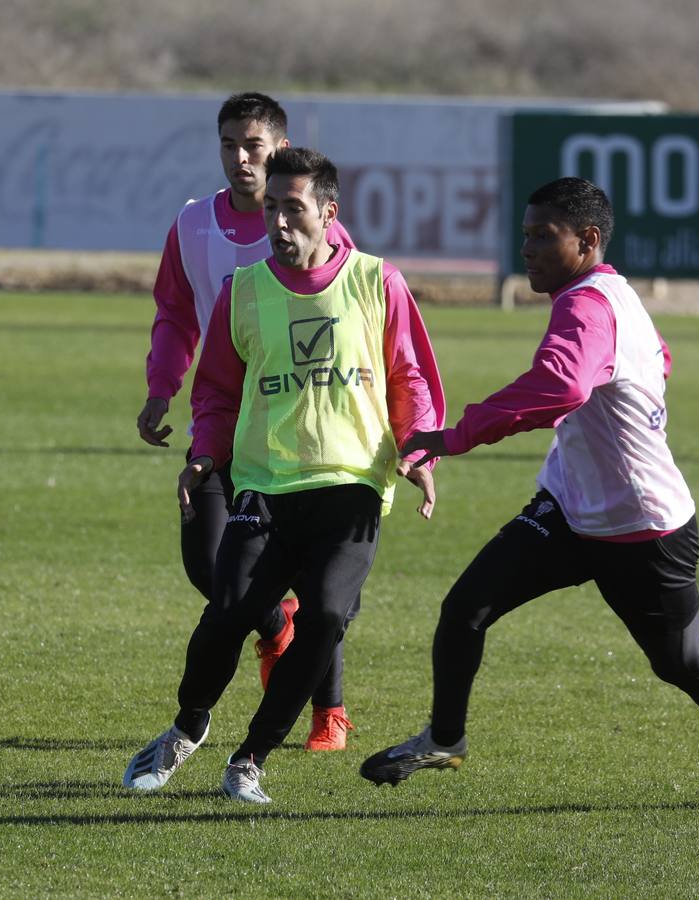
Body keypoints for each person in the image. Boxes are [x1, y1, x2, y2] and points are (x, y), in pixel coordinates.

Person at [360, 177, 699, 806]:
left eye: (542, 236)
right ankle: (445, 738)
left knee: (680, 661)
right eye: (525, 234)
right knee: (465, 609)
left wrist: (457, 435)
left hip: (642, 526)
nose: (526, 249)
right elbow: (658, 357)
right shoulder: (609, 292)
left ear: (587, 241)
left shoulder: (588, 304)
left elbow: (561, 387)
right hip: (567, 507)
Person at [124, 147, 446, 803]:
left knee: (325, 617)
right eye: (271, 207)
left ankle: (250, 759)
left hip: (351, 487)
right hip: (264, 489)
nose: (277, 221)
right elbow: (214, 391)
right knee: (227, 611)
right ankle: (187, 726)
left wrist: (417, 450)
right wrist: (202, 455)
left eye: (292, 208)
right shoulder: (242, 292)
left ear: (328, 213)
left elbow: (409, 375)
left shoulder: (375, 281)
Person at [135, 92, 359, 751]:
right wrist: (160, 389)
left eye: (253, 145)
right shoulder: (192, 225)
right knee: (209, 566)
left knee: (319, 583)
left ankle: (329, 714)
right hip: (222, 420)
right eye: (228, 144)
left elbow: (349, 325)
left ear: (279, 149)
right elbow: (175, 314)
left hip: (297, 433)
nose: (239, 157)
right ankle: (274, 625)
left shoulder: (322, 233)